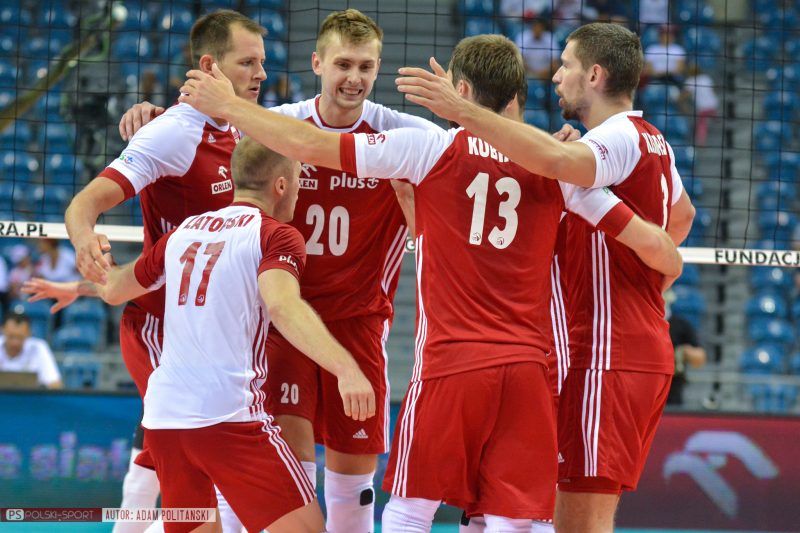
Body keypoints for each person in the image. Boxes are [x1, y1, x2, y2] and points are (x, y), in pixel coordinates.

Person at [176, 32, 683, 532]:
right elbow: (660, 243)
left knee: (410, 510)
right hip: (528, 369)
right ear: (514, 96)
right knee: (511, 520)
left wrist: (228, 106)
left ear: (459, 91)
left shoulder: (429, 148)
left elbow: (309, 142)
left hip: (450, 362)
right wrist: (662, 277)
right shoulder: (554, 167)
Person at [119, 10, 439, 532]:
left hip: (359, 325)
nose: (353, 78)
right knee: (289, 480)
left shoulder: (402, 133)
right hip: (283, 323)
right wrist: (154, 116)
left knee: (353, 494)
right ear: (317, 63)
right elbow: (205, 129)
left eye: (365, 67)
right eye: (342, 64)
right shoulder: (276, 124)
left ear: (378, 69)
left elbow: (467, 169)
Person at [394, 22, 696, 533]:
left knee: (576, 521)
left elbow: (556, 161)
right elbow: (682, 217)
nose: (555, 76)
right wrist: (645, 284)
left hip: (604, 353)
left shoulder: (614, 138)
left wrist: (462, 111)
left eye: (566, 65)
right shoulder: (653, 141)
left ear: (594, 75)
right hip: (620, 348)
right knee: (538, 508)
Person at [85, 137, 376, 533]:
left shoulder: (183, 232)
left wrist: (94, 259)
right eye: (298, 179)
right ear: (281, 185)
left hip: (165, 421)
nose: (300, 188)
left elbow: (114, 290)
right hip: (230, 418)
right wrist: (347, 369)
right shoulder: (276, 235)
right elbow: (283, 307)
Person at [64, 9, 268, 532]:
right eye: (247, 63)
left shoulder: (242, 124)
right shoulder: (174, 133)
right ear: (210, 66)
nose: (261, 74)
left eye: (261, 62)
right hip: (163, 322)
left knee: (176, 456)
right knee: (193, 466)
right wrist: (85, 238)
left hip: (218, 325)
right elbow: (86, 202)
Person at [0, 311, 63, 389]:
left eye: (20, 337)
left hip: (31, 396)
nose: (15, 343)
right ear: (2, 330)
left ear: (29, 333)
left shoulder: (39, 347)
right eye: (11, 336)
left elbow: (56, 384)